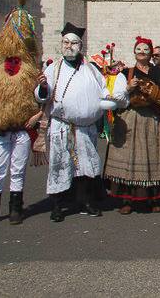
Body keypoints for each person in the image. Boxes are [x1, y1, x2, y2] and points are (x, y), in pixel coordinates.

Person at [35, 23, 129, 222]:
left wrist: (112, 97)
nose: (69, 46)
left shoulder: (91, 69)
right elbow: (43, 96)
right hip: (62, 127)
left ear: (80, 46)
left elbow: (103, 89)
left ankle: (85, 201)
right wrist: (43, 87)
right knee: (60, 165)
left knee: (85, 166)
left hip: (86, 129)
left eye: (73, 43)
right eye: (65, 42)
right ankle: (58, 205)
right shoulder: (54, 69)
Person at [103, 36, 160, 214]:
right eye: (139, 49)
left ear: (151, 53)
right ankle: (127, 200)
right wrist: (127, 88)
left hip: (154, 119)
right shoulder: (125, 73)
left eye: (146, 50)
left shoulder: (159, 73)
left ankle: (154, 198)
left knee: (154, 157)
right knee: (129, 158)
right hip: (131, 118)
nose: (142, 52)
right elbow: (117, 98)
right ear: (134, 52)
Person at [0, 0, 42, 226]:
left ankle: (16, 206)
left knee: (17, 169)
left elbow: (42, 97)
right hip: (2, 129)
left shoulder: (31, 70)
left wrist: (36, 115)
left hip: (21, 128)